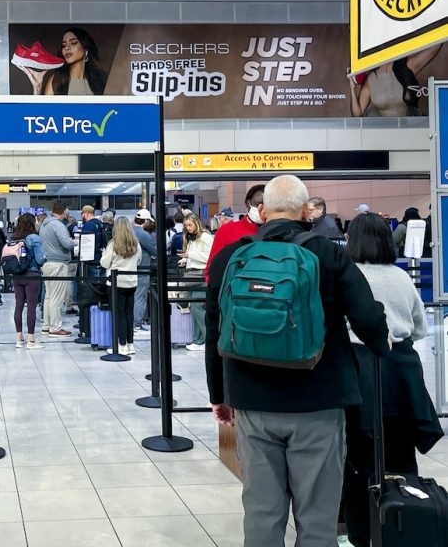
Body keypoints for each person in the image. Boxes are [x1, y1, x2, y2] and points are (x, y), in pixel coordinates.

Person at [205, 174, 390, 547]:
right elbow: (369, 320)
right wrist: (381, 347)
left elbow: (215, 330)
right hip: (319, 401)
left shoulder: (231, 257)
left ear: (261, 210)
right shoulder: (328, 253)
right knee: (317, 518)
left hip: (252, 402)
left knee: (261, 512)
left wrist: (219, 394)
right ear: (307, 210)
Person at [340, 212, 443, 547]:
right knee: (400, 454)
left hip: (358, 369)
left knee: (357, 455)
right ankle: (404, 521)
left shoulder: (347, 276)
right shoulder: (401, 278)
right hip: (401, 373)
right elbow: (419, 327)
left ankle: (359, 531)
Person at [350, 45, 441, 117]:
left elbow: (436, 46)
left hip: (410, 130)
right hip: (382, 132)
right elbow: (357, 114)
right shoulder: (370, 78)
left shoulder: (408, 66)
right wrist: (352, 89)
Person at [18, 27, 108, 96]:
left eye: (73, 43)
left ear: (86, 48)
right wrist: (37, 89)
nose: (67, 48)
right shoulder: (56, 81)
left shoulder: (101, 79)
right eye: (63, 45)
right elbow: (43, 115)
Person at [100, 217, 142, 356]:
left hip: (116, 283)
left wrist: (103, 254)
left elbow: (105, 263)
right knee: (129, 314)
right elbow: (139, 261)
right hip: (132, 282)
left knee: (119, 315)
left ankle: (121, 345)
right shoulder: (136, 244)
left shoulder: (113, 244)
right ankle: (130, 344)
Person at [205, 185, 265, 282]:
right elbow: (212, 269)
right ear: (247, 203)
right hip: (234, 293)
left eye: (266, 205)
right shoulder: (227, 231)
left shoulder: (279, 232)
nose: (261, 208)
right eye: (257, 204)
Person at [39, 201, 75, 337]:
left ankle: (46, 326)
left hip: (47, 263)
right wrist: (74, 242)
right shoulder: (58, 225)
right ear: (64, 211)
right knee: (56, 298)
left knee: (48, 296)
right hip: (58, 264)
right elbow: (66, 244)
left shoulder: (45, 224)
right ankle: (55, 327)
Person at [178, 212, 213, 351]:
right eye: (186, 226)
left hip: (201, 274)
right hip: (193, 273)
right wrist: (186, 259)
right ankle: (199, 339)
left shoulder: (205, 237)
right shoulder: (192, 238)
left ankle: (206, 338)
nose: (188, 228)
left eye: (190, 225)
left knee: (196, 307)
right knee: (194, 307)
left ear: (196, 223)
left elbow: (210, 256)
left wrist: (190, 255)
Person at [11, 213, 46, 350]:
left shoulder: (14, 237)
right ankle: (31, 339)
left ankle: (19, 338)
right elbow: (40, 260)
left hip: (17, 274)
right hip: (31, 274)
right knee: (31, 306)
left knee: (18, 305)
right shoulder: (34, 238)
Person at [132, 209, 157, 334]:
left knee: (131, 297)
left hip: (129, 270)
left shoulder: (129, 231)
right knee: (140, 297)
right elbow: (154, 251)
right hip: (142, 270)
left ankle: (132, 323)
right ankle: (137, 323)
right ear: (146, 221)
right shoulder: (143, 235)